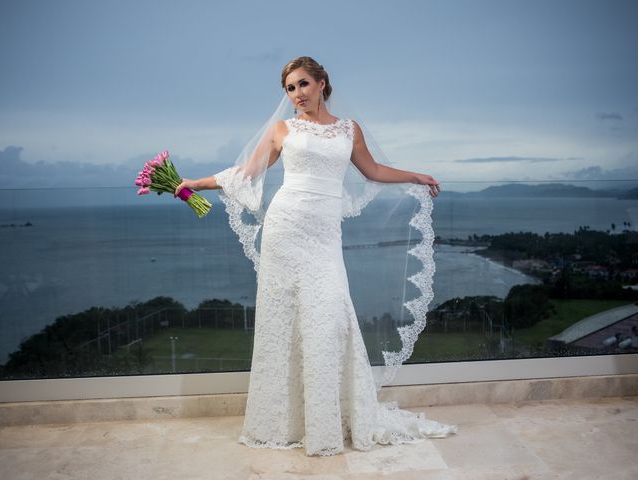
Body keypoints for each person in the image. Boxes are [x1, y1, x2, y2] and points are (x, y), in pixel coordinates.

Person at [175, 56, 458, 456]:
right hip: (285, 229)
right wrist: (194, 184)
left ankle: (329, 420)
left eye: (303, 84)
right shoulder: (281, 130)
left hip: (324, 236)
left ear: (322, 83)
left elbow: (373, 170)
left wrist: (416, 175)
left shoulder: (349, 129)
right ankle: (285, 422)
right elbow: (246, 173)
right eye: (290, 88)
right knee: (285, 320)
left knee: (331, 318)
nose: (297, 94)